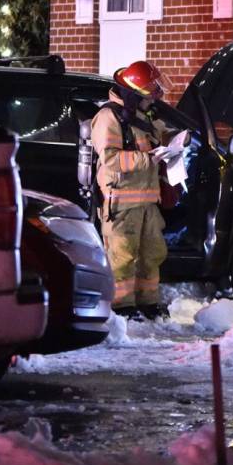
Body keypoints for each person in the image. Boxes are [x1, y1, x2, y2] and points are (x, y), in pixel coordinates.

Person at [91, 60, 176, 320]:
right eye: (150, 92)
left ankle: (148, 303)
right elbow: (111, 159)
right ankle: (122, 308)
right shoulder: (109, 118)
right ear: (134, 94)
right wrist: (149, 158)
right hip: (121, 203)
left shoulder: (140, 116)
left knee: (152, 254)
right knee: (122, 257)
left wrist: (174, 141)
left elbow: (158, 135)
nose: (154, 97)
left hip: (147, 200)